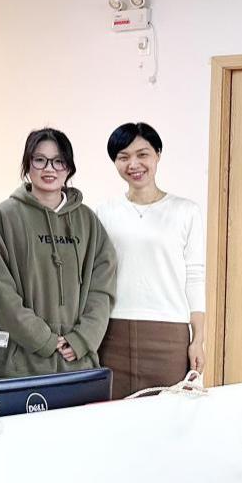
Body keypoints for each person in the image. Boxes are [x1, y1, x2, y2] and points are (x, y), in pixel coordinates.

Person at [0, 128, 115, 379]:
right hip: (20, 362)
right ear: (27, 164)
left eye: (59, 161)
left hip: (77, 361)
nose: (50, 169)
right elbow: (1, 290)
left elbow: (102, 288)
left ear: (69, 168)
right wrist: (41, 338)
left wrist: (82, 339)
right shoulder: (5, 216)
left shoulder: (88, 221)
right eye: (40, 160)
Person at [95, 122, 206, 396]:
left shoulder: (186, 211)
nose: (133, 164)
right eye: (123, 157)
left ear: (158, 154)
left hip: (169, 334)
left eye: (142, 154)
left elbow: (195, 276)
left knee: (170, 414)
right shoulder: (104, 212)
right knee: (115, 413)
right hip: (113, 332)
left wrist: (198, 340)